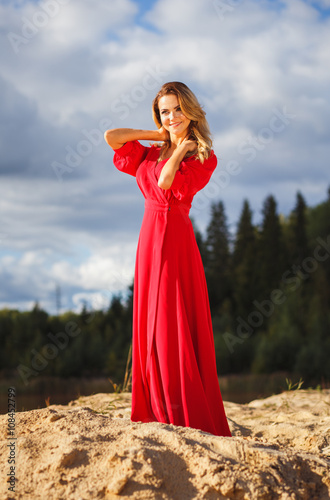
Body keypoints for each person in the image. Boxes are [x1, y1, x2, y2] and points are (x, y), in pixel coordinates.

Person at [104, 81, 231, 437]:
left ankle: (184, 410)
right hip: (148, 239)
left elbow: (164, 184)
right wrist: (157, 135)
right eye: (165, 111)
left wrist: (176, 152)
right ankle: (156, 407)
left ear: (190, 110)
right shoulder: (148, 150)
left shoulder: (204, 156)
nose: (172, 116)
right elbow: (110, 136)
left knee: (172, 322)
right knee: (151, 322)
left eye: (178, 109)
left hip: (175, 240)